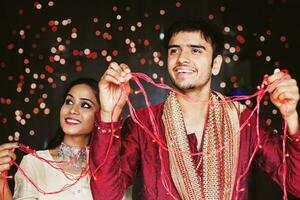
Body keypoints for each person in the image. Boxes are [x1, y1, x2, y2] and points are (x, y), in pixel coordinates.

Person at [90, 18, 300, 200]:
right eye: (175, 50)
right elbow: (106, 194)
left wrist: (290, 116)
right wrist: (109, 113)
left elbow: (296, 184)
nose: (182, 58)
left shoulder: (242, 120)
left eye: (196, 50)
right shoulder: (144, 123)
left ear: (215, 64)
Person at [0, 78, 100, 200]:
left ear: (101, 116)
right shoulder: (34, 163)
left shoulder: (112, 170)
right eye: (69, 101)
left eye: (85, 105)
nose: (73, 110)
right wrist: (0, 182)